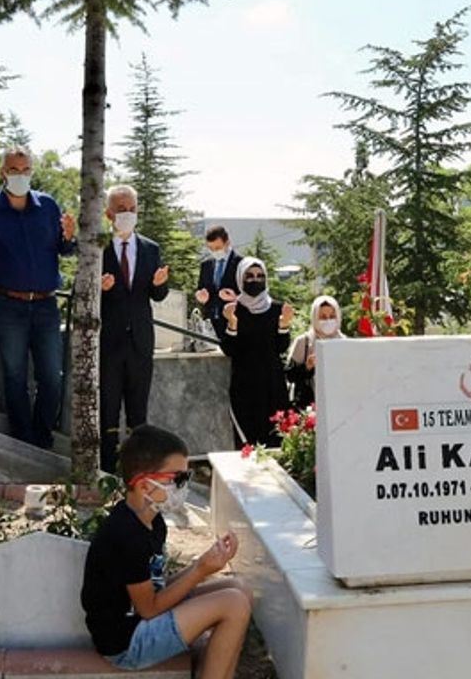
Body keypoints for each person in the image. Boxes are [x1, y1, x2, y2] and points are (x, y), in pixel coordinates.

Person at [81, 425, 252, 677]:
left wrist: (203, 564)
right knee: (233, 603)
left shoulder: (153, 521)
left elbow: (157, 589)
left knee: (240, 589)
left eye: (186, 477)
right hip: (126, 642)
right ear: (143, 485)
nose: (183, 487)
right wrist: (200, 570)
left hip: (143, 621)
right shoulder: (125, 534)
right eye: (177, 479)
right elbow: (149, 608)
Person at [0, 146, 77, 448]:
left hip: (46, 305)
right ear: (3, 172)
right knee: (15, 376)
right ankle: (22, 438)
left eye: (25, 170)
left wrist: (69, 237)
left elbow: (65, 250)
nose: (20, 176)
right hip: (7, 304)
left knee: (52, 376)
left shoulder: (49, 206)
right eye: (14, 170)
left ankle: (42, 434)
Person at [99, 186, 170, 472]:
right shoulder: (97, 248)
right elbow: (81, 292)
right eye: (120, 209)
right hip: (109, 342)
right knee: (108, 410)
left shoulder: (151, 249)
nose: (126, 214)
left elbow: (158, 295)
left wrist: (159, 284)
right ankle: (106, 468)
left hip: (140, 341)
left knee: (138, 410)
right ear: (109, 213)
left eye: (131, 209)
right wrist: (99, 289)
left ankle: (137, 468)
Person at [219, 258, 292, 448]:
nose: (255, 280)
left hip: (272, 383)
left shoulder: (276, 308)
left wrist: (284, 325)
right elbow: (229, 349)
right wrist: (232, 324)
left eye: (260, 276)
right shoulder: (234, 309)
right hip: (245, 384)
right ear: (240, 278)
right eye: (249, 276)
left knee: (276, 435)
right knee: (247, 438)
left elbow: (281, 347)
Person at [284, 295, 344, 410]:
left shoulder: (344, 342)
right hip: (309, 407)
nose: (328, 321)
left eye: (332, 316)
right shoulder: (304, 342)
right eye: (323, 317)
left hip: (339, 404)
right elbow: (290, 376)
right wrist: (307, 366)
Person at [194, 226, 241, 334]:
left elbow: (252, 296)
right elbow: (201, 288)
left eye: (218, 248)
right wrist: (200, 296)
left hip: (235, 322)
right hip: (211, 323)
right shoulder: (206, 265)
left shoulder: (241, 264)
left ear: (227, 243)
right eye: (211, 249)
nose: (215, 252)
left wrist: (235, 298)